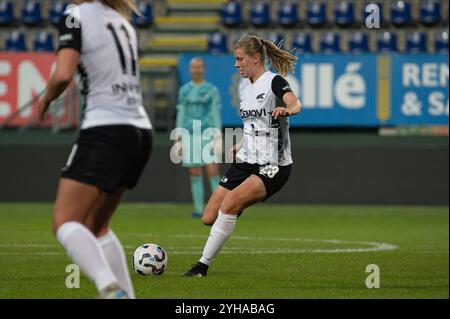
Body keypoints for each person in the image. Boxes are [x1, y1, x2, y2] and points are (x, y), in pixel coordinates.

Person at [38, 0, 153, 298]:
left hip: (105, 129)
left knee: (65, 222)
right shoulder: (122, 19)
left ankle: (107, 286)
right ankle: (125, 294)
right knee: (97, 226)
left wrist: (45, 99)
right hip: (140, 132)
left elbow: (64, 74)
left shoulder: (74, 15)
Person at [183, 35, 302, 277]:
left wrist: (287, 109)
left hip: (274, 163)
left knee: (229, 205)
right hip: (247, 158)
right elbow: (253, 123)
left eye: (240, 59)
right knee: (208, 217)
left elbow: (295, 103)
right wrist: (242, 142)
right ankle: (237, 204)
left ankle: (201, 267)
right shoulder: (244, 86)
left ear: (256, 58)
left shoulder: (274, 82)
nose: (236, 64)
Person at [175, 57, 222, 218]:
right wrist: (178, 136)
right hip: (190, 134)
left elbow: (215, 112)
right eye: (193, 67)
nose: (196, 70)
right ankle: (198, 209)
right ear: (190, 70)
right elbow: (181, 112)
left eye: (199, 67)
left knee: (212, 170)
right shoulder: (184, 90)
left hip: (207, 133)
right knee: (194, 172)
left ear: (204, 69)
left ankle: (218, 209)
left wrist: (218, 136)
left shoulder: (211, 90)